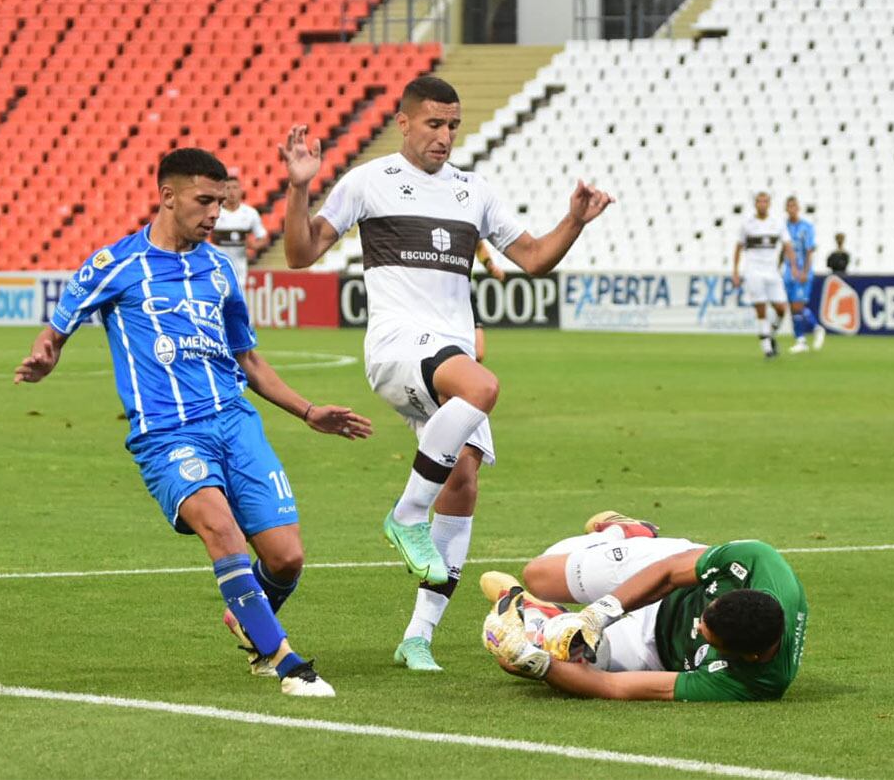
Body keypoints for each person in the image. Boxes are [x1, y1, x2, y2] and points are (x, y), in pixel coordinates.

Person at [277, 75, 614, 671]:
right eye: (433, 124)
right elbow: (300, 255)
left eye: (453, 125)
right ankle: (405, 515)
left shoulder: (472, 191)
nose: (445, 136)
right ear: (403, 122)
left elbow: (532, 258)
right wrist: (299, 189)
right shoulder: (368, 182)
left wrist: (576, 221)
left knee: (463, 480)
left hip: (446, 351)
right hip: (397, 346)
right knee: (483, 386)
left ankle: (418, 638)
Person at [13, 148, 372, 698]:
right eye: (205, 201)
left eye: (221, 202)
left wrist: (307, 411)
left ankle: (248, 620)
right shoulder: (115, 265)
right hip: (167, 435)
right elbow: (54, 332)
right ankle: (284, 660)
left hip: (236, 423)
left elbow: (247, 359)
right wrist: (44, 358)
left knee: (287, 557)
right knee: (220, 529)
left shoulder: (220, 270)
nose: (216, 214)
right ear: (168, 196)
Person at [480, 511, 808, 701]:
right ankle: (620, 532)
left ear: (747, 656)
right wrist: (599, 613)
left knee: (544, 655)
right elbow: (668, 573)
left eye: (706, 636)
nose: (697, 627)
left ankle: (543, 618)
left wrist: (538, 666)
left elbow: (611, 687)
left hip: (654, 650)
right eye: (704, 617)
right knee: (539, 575)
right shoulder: (758, 562)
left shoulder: (754, 682)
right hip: (667, 578)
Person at [732, 191, 796, 358]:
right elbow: (738, 247)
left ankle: (770, 334)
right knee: (760, 308)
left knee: (781, 309)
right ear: (755, 204)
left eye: (765, 201)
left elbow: (788, 245)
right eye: (759, 201)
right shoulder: (747, 224)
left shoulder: (777, 223)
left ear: (769, 204)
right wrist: (735, 271)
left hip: (772, 270)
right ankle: (767, 348)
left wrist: (794, 266)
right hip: (753, 270)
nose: (762, 204)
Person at [781, 197, 826, 354]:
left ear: (798, 208)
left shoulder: (806, 227)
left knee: (798, 306)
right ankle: (800, 341)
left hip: (801, 271)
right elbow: (783, 249)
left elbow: (809, 250)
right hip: (788, 272)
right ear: (786, 209)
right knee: (793, 308)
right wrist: (778, 266)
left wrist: (805, 271)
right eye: (789, 206)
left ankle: (817, 328)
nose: (792, 208)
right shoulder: (784, 227)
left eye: (794, 206)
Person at [212, 174, 269, 284]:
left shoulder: (250, 213)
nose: (231, 192)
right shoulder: (215, 212)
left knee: (237, 298)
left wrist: (254, 245)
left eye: (235, 187)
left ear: (241, 191)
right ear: (223, 191)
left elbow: (263, 238)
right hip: (217, 267)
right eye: (227, 188)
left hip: (240, 269)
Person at [473, 240, 506, 362]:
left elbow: (479, 245)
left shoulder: (466, 223)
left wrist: (490, 266)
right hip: (440, 294)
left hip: (465, 294)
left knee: (479, 353)